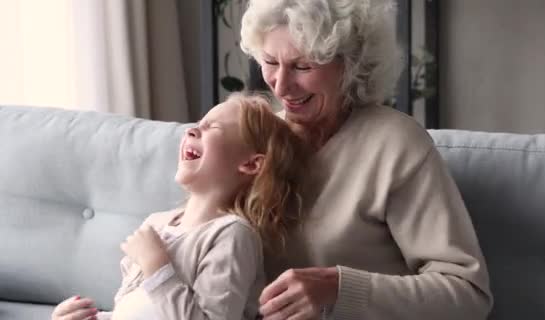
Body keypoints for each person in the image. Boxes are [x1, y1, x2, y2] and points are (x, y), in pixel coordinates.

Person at [239, 0, 493, 319]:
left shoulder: (395, 144)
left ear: (352, 65)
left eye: (303, 66)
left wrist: (340, 289)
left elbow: (468, 295)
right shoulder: (253, 138)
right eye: (270, 62)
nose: (281, 85)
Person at [51, 93, 308, 320]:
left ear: (251, 165)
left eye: (212, 127)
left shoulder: (231, 235)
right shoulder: (156, 224)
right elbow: (135, 311)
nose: (192, 131)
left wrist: (157, 266)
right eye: (197, 125)